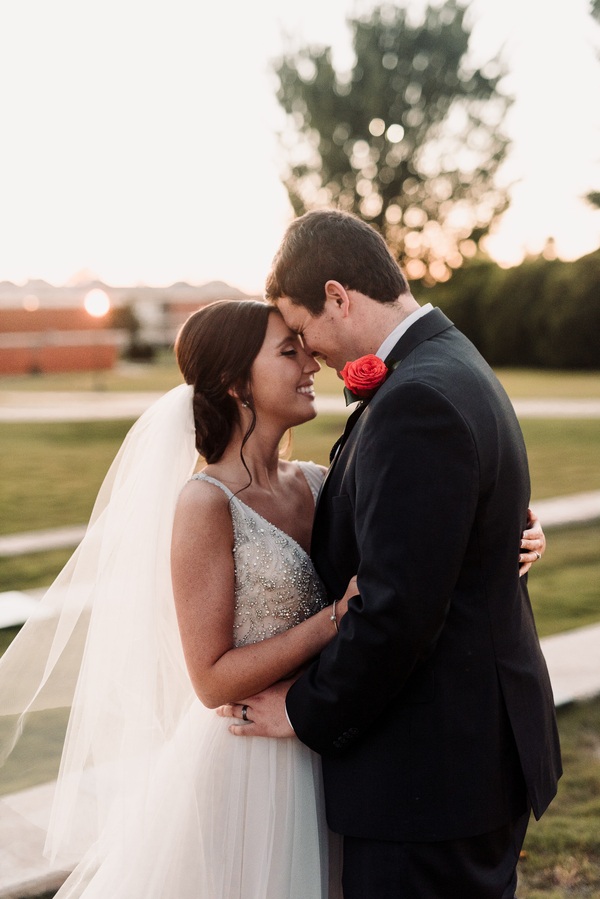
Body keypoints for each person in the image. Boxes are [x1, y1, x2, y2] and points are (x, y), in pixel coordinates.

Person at [0, 295, 545, 898]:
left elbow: (417, 538)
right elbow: (210, 680)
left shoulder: (319, 481)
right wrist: (334, 620)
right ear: (237, 383)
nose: (311, 361)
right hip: (250, 763)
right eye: (289, 352)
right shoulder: (205, 504)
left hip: (332, 745)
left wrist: (516, 533)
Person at [221, 209, 562, 899]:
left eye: (303, 325)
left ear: (339, 296)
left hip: (430, 776)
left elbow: (396, 608)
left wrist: (304, 709)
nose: (309, 350)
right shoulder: (453, 361)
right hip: (463, 760)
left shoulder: (416, 400)